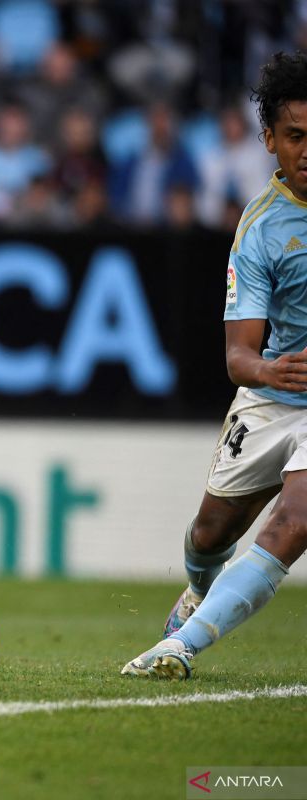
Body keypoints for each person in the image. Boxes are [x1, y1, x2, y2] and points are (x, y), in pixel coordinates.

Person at [122, 51, 307, 679]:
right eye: (295, 136)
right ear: (269, 141)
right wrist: (269, 372)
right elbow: (237, 356)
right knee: (208, 533)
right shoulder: (259, 229)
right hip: (276, 393)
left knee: (297, 518)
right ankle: (197, 590)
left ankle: (182, 645)